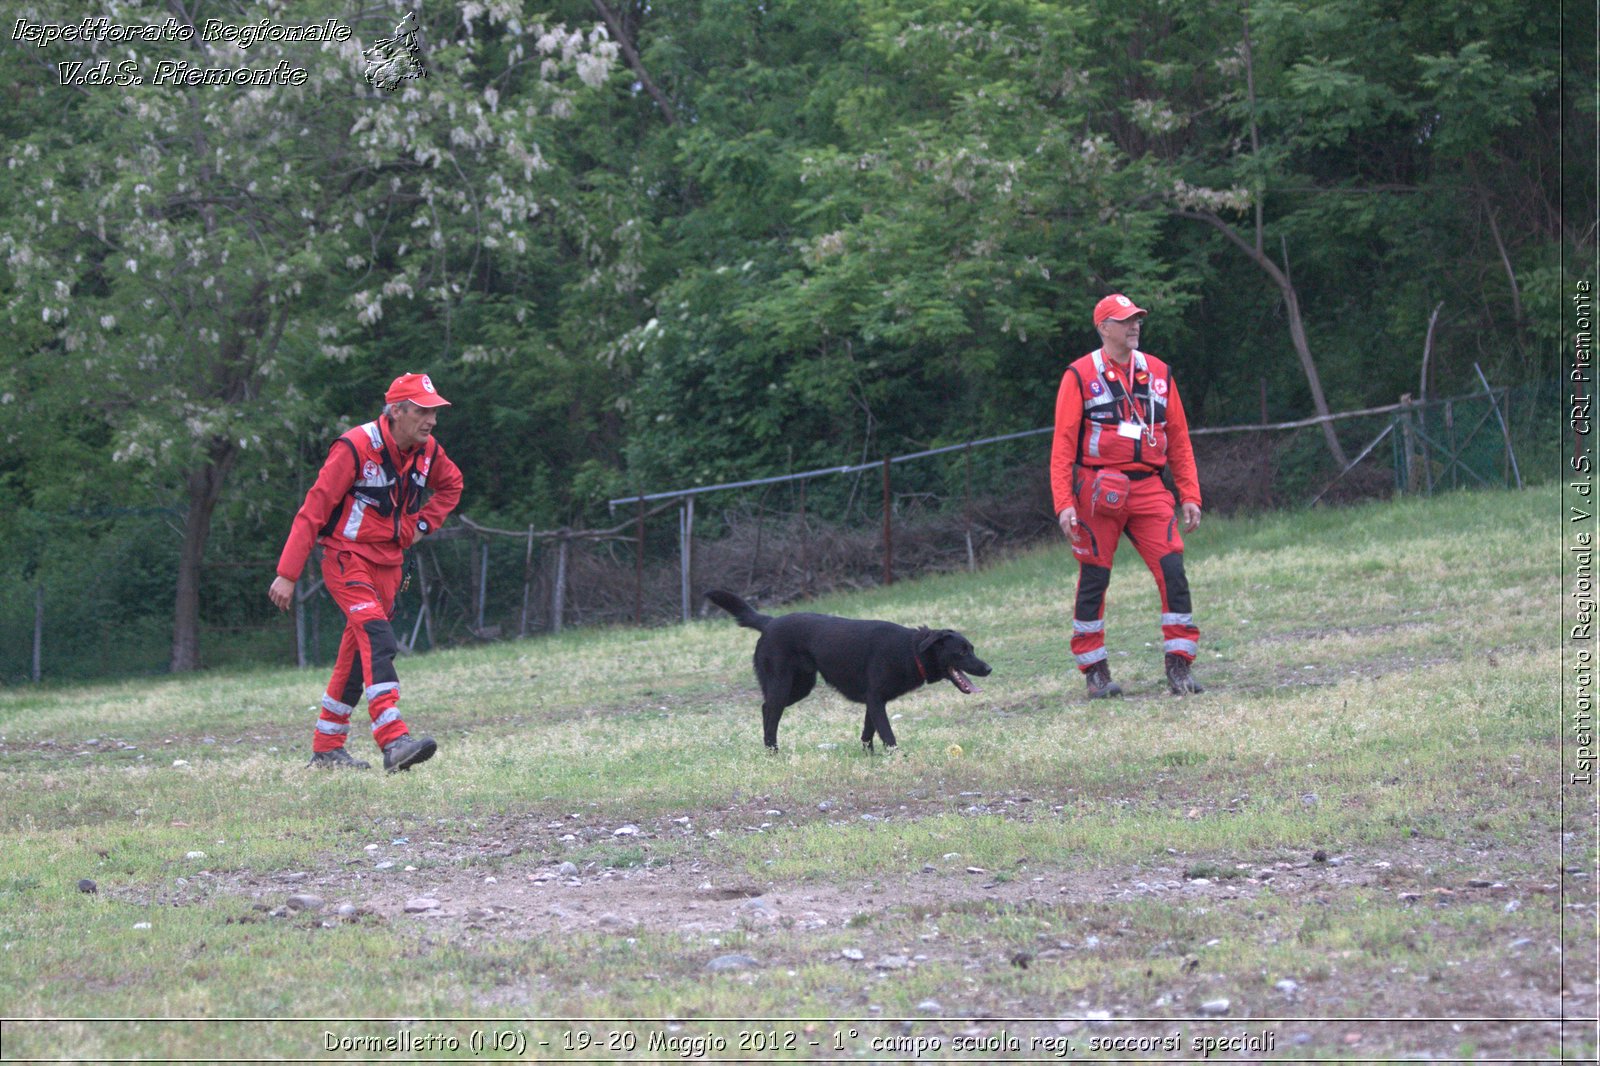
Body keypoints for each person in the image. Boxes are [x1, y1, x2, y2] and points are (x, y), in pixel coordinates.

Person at [268, 373, 464, 770]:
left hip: (390, 564)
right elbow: (314, 510)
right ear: (396, 411)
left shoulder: (428, 451)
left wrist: (421, 526)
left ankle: (327, 748)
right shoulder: (355, 446)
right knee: (377, 634)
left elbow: (452, 486)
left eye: (435, 412)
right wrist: (287, 573)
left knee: (358, 656)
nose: (431, 421)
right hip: (346, 558)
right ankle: (393, 741)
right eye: (423, 411)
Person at [1050, 294, 1204, 698]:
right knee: (1094, 578)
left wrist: (1189, 493)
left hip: (1150, 487)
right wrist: (1064, 503)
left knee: (1173, 571)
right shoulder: (1080, 375)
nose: (1134, 325)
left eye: (1137, 319)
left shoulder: (1158, 372)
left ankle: (1179, 666)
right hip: (1099, 492)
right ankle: (1095, 671)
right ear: (1103, 328)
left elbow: (1180, 439)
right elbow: (1063, 447)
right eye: (1125, 320)